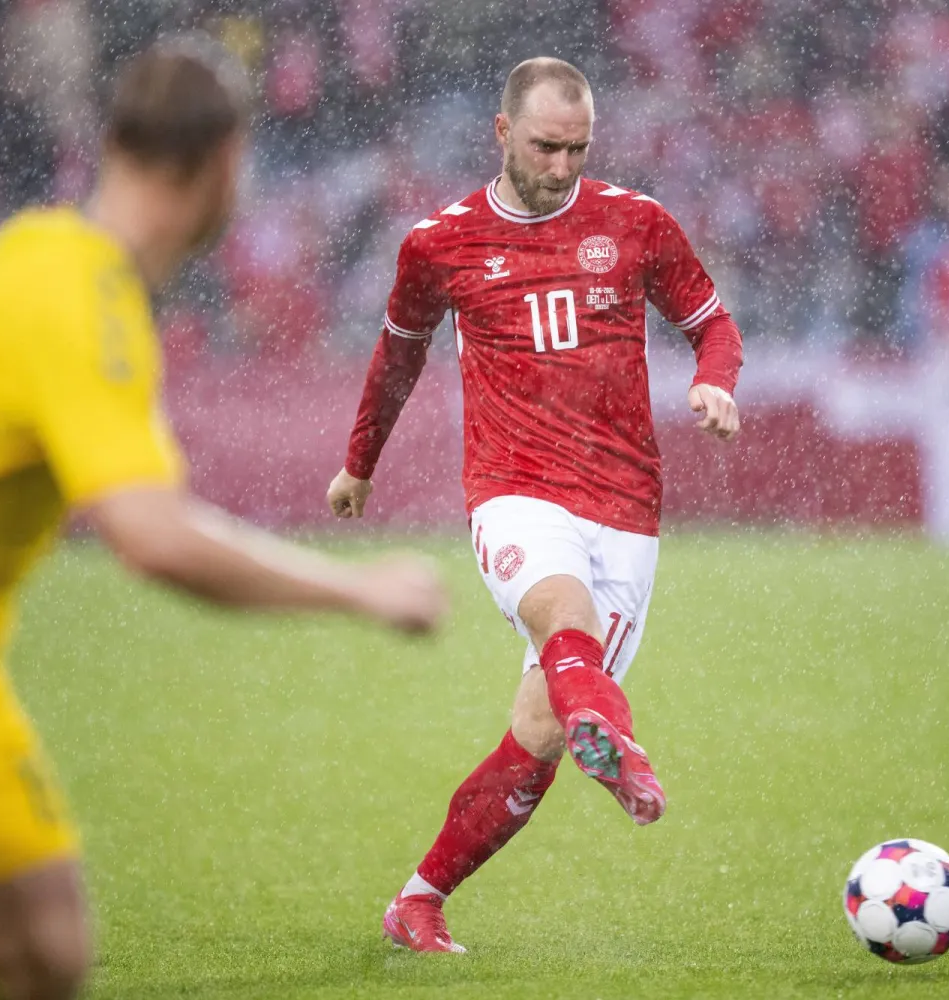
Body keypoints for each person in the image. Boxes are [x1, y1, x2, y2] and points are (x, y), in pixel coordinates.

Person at [0, 38, 446, 1000]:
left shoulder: (44, 254)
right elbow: (152, 535)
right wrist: (359, 588)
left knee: (40, 958)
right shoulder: (79, 294)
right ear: (223, 161)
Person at [327, 57, 743, 954]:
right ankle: (617, 740)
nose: (562, 167)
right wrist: (359, 465)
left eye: (579, 148)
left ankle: (420, 900)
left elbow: (712, 322)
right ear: (503, 132)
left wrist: (714, 383)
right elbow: (396, 359)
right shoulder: (439, 244)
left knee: (538, 730)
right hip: (513, 490)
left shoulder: (634, 223)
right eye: (547, 147)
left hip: (627, 506)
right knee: (562, 614)